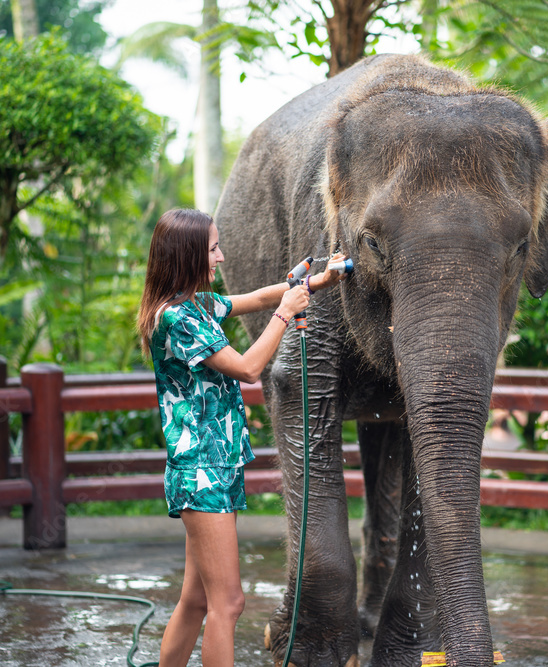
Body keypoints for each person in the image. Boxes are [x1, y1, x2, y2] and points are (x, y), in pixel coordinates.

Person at [136, 208, 346, 667]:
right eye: (213, 248)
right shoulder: (177, 320)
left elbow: (252, 297)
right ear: (188, 254)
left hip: (216, 467)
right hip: (202, 473)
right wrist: (287, 314)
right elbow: (250, 368)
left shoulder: (197, 306)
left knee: (196, 600)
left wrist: (313, 283)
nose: (221, 256)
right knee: (227, 604)